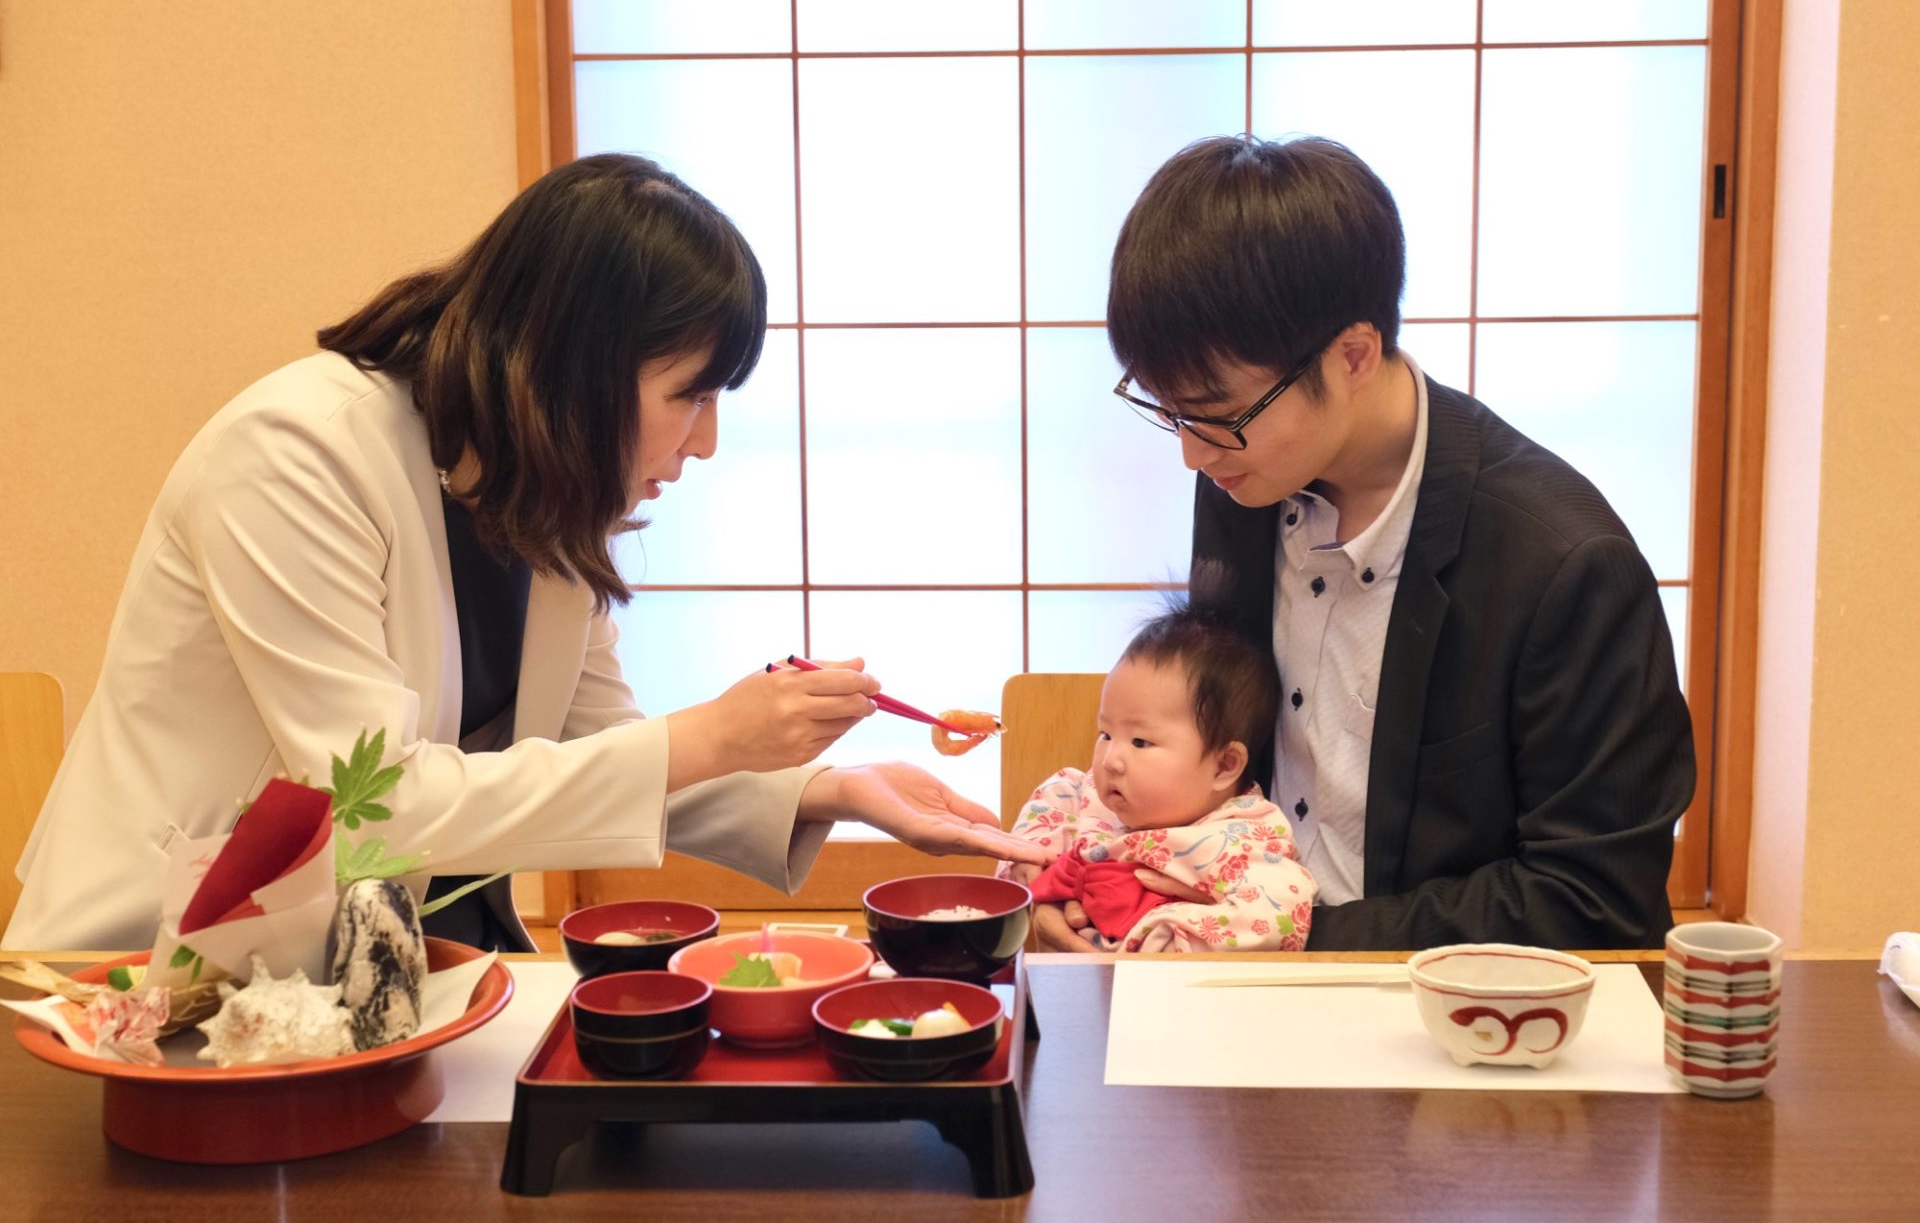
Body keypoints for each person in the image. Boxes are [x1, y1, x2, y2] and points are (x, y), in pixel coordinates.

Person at [6, 153, 1042, 953]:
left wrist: (830, 788)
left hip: (347, 974)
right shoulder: (296, 457)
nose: (707, 440)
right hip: (140, 970)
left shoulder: (538, 487)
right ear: (573, 365)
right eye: (690, 394)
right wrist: (719, 734)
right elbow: (376, 801)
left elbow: (600, 747)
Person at [1030, 134, 1694, 952]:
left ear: (1352, 355)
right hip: (1209, 979)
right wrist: (1095, 887)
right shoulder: (1250, 474)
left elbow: (1596, 899)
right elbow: (1218, 742)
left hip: (1436, 1016)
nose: (1192, 454)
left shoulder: (1561, 565)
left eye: (1216, 413)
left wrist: (1298, 942)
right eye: (1169, 411)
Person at [1000, 602, 1317, 952]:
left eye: (1140, 741)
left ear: (1224, 765)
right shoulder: (1087, 794)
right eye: (1105, 734)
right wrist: (1026, 857)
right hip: (1065, 979)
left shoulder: (1242, 840)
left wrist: (1161, 931)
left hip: (1175, 993)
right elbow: (1049, 803)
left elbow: (1281, 915)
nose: (1111, 760)